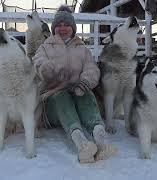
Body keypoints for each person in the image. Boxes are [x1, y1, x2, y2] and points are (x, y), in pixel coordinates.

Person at [33, 5, 117, 163]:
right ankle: (82, 145)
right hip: (52, 100)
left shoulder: (82, 49)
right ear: (53, 28)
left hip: (77, 95)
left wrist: (84, 82)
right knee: (62, 97)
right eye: (59, 25)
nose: (63, 28)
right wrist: (50, 70)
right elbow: (38, 62)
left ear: (73, 28)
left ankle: (101, 140)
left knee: (86, 94)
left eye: (66, 25)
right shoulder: (44, 47)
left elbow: (92, 68)